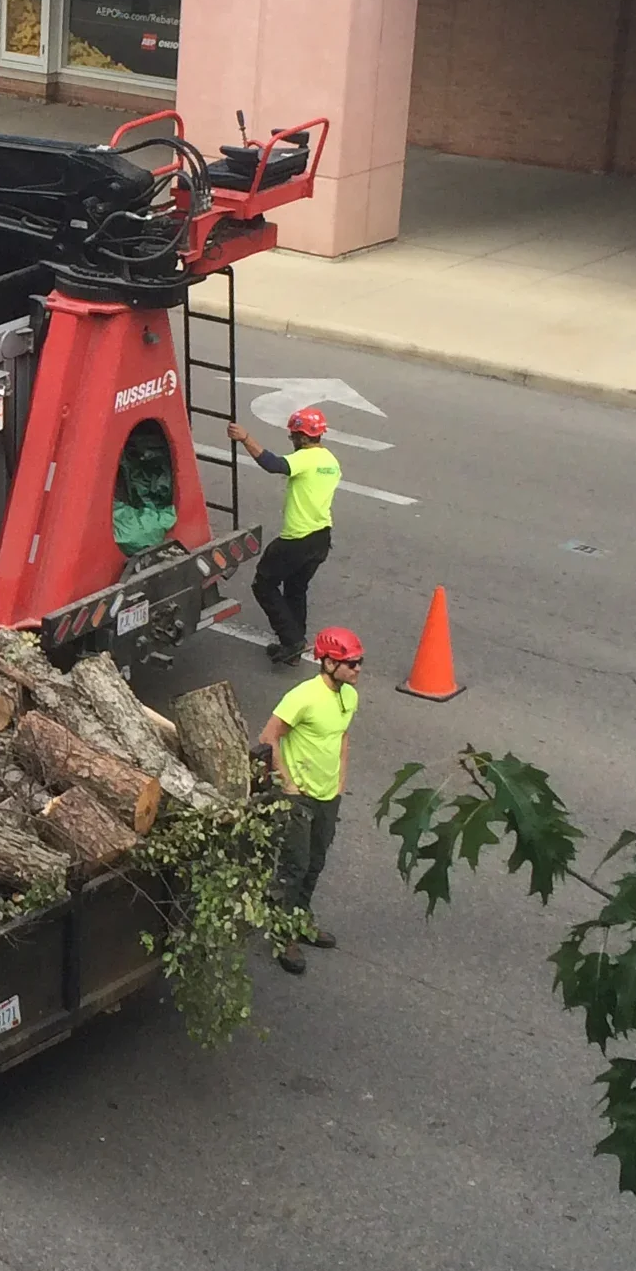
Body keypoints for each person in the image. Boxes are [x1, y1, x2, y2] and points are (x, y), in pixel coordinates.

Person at [260, 626, 363, 975]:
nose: (358, 669)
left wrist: (341, 781)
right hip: (299, 797)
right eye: (351, 663)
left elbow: (343, 737)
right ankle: (282, 933)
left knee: (315, 861)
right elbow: (268, 738)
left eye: (359, 662)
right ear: (329, 663)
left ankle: (301, 920)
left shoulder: (349, 696)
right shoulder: (303, 696)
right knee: (294, 867)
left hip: (328, 795)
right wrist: (288, 785)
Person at [227, 406, 341, 666]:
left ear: (302, 437)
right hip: (321, 537)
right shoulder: (331, 461)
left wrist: (245, 438)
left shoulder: (305, 458)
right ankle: (294, 645)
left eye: (293, 436)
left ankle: (292, 641)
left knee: (263, 584)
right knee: (295, 588)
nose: (292, 441)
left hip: (296, 539)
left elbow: (272, 464)